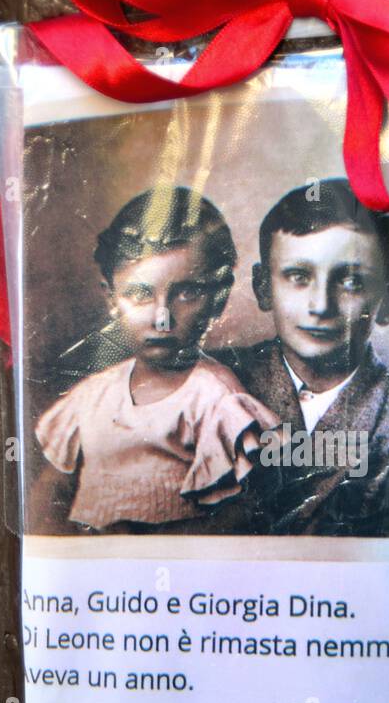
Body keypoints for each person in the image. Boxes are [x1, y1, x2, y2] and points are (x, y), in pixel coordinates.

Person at [28, 186, 278, 534]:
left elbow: (240, 514)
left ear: (218, 298)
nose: (162, 318)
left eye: (186, 293)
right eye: (140, 293)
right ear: (112, 298)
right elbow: (49, 490)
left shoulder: (214, 397)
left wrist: (145, 542)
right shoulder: (93, 395)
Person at [222, 178, 389, 537]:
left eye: (350, 282)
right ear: (263, 287)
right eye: (298, 276)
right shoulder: (218, 382)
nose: (321, 307)